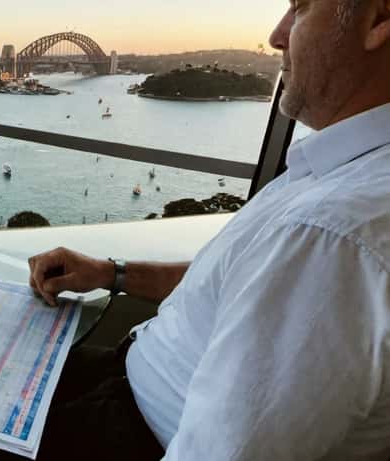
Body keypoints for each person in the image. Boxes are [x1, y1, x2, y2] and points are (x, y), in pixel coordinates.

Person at [28, 0, 390, 459]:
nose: (277, 35)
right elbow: (237, 288)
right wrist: (109, 272)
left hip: (129, 429)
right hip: (126, 376)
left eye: (300, 8)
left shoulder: (334, 234)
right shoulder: (342, 178)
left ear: (379, 19)